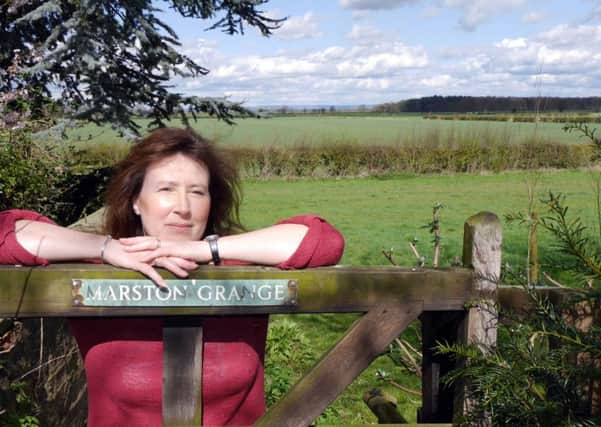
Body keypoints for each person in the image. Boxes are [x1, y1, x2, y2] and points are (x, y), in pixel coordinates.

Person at [0, 127, 344, 426]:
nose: (183, 206)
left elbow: (322, 240)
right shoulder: (99, 266)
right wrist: (107, 248)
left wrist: (203, 250)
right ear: (136, 201)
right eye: (166, 189)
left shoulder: (236, 266)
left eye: (197, 191)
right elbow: (7, 232)